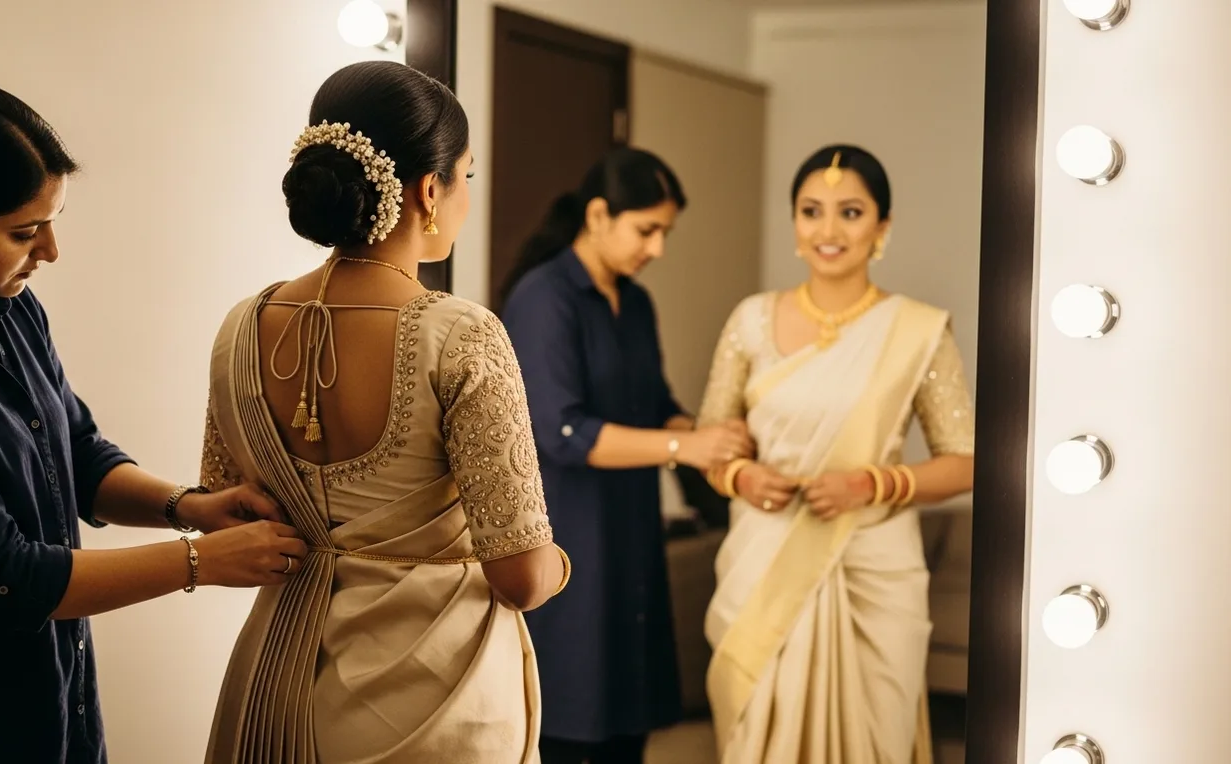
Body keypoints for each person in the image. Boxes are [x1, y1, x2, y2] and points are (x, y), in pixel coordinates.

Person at [0, 83, 309, 764]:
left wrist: (190, 506)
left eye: (54, 221)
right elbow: (3, 576)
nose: (51, 250)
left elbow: (76, 454)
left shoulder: (10, 308)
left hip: (50, 700)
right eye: (25, 232)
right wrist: (201, 562)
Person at [200, 61, 568, 764]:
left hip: (282, 683)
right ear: (431, 190)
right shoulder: (461, 334)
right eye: (468, 173)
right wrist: (556, 563)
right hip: (436, 697)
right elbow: (520, 577)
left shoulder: (241, 327)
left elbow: (228, 506)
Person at [699, 144, 976, 763]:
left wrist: (871, 485)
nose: (828, 230)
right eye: (811, 211)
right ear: (794, 223)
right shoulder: (750, 320)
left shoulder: (918, 331)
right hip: (764, 558)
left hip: (873, 569)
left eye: (850, 212)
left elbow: (964, 462)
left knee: (874, 734)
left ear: (882, 227)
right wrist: (741, 477)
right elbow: (713, 442)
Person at [499, 148, 755, 764]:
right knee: (566, 715)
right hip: (570, 535)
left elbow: (655, 403)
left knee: (628, 725)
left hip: (631, 534)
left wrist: (712, 436)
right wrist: (683, 444)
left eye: (665, 232)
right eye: (648, 230)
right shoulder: (545, 297)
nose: (658, 248)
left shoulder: (636, 304)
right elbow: (559, 432)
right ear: (597, 215)